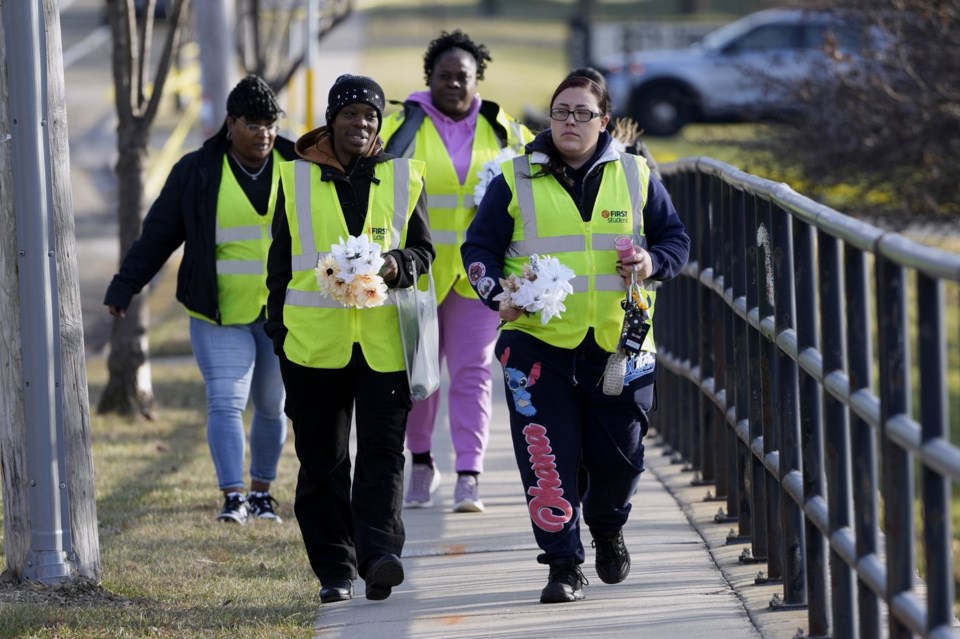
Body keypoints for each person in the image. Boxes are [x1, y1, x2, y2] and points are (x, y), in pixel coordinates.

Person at [460, 75, 690, 603]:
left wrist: (651, 260)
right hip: (536, 347)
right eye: (561, 111)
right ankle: (563, 564)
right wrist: (497, 293)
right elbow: (478, 248)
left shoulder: (635, 173)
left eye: (583, 113)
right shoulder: (514, 178)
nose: (570, 121)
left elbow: (676, 238)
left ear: (604, 121)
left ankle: (607, 525)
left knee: (621, 460)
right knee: (547, 455)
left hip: (619, 345)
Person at [264, 74, 434, 604]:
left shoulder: (405, 178)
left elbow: (424, 255)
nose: (361, 123)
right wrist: (278, 330)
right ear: (332, 120)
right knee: (323, 460)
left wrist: (396, 263)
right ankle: (334, 569)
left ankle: (380, 554)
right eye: (351, 114)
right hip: (313, 346)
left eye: (371, 116)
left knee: (383, 453)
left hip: (384, 346)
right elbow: (278, 264)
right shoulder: (293, 180)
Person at [104, 75, 294, 525]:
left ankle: (262, 492)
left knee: (272, 404)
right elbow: (159, 235)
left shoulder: (298, 163)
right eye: (253, 123)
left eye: (270, 123)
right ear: (231, 123)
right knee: (226, 401)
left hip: (283, 315)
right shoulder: (198, 170)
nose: (264, 132)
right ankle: (233, 495)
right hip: (217, 312)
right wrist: (124, 285)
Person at [380, 29, 534, 513]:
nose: (452, 84)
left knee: (473, 374)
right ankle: (422, 465)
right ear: (429, 79)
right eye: (443, 76)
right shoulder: (402, 128)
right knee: (420, 377)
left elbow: (542, 172)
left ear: (477, 79)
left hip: (478, 277)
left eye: (462, 76)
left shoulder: (504, 131)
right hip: (418, 275)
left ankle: (470, 474)